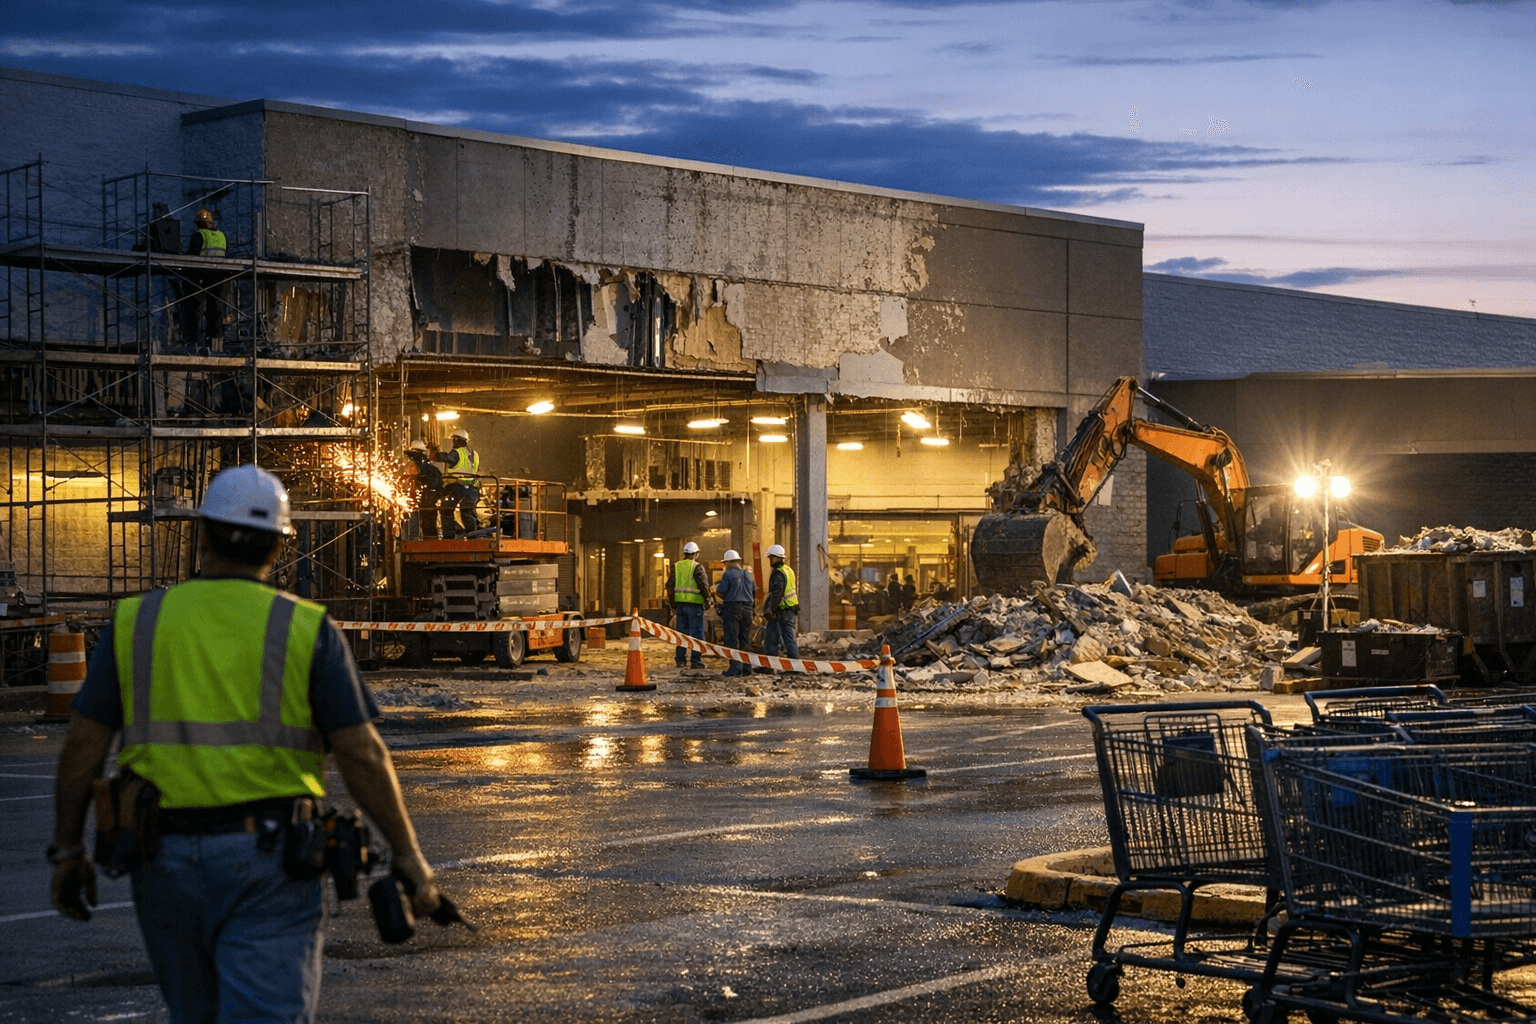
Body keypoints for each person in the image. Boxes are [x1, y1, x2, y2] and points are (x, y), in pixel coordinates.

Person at [47, 464, 446, 1024]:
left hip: (161, 860)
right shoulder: (306, 628)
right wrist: (409, 858)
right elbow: (361, 754)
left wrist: (68, 851)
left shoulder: (138, 620)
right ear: (282, 546)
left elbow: (82, 747)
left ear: (202, 533)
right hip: (270, 866)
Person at [182, 208, 228, 348]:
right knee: (216, 307)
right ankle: (215, 340)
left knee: (195, 307)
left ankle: (193, 341)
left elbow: (193, 254)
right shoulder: (221, 235)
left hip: (201, 274)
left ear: (198, 223)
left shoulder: (198, 235)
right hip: (219, 275)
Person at [713, 549, 756, 677]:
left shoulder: (728, 574)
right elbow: (754, 591)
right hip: (748, 609)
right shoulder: (748, 575)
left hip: (732, 608)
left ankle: (735, 667)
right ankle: (746, 667)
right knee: (745, 639)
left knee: (732, 639)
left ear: (729, 562)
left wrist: (717, 593)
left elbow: (721, 591)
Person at [432, 428, 481, 538]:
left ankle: (448, 537)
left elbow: (447, 458)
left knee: (446, 509)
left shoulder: (457, 452)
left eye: (454, 440)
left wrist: (435, 453)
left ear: (456, 440)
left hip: (458, 486)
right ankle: (473, 536)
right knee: (467, 512)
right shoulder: (475, 454)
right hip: (473, 488)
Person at [670, 541, 710, 669]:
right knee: (697, 633)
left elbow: (670, 586)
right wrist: (707, 600)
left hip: (680, 605)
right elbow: (703, 585)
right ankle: (696, 660)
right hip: (695, 605)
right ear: (696, 554)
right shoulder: (697, 567)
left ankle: (680, 660)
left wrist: (673, 604)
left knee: (682, 634)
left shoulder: (676, 566)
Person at [759, 543, 799, 671]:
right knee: (773, 637)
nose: (770, 560)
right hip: (788, 609)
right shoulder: (788, 570)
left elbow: (777, 593)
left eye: (771, 558)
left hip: (782, 610)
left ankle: (794, 667)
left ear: (776, 558)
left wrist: (771, 609)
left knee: (786, 638)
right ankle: (770, 666)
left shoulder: (778, 573)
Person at [403, 439, 443, 539]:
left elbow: (410, 479)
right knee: (429, 525)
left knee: (413, 525)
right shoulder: (432, 468)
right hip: (430, 500)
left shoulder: (415, 464)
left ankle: (412, 542)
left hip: (418, 500)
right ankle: (431, 543)